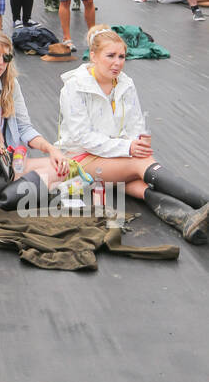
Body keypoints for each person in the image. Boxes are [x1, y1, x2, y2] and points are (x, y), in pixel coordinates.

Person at [57, 26, 209, 244]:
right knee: (140, 165)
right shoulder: (74, 87)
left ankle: (186, 218)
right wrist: (128, 148)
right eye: (110, 56)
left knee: (140, 184)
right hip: (79, 161)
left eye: (122, 56)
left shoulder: (125, 83)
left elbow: (136, 124)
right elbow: (83, 138)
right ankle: (204, 202)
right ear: (93, 56)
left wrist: (136, 141)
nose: (117, 62)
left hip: (113, 158)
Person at [0, 29, 70, 206]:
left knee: (61, 170)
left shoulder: (10, 85)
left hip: (6, 163)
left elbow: (25, 129)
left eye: (6, 58)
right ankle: (7, 197)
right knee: (51, 181)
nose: (0, 63)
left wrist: (51, 149)